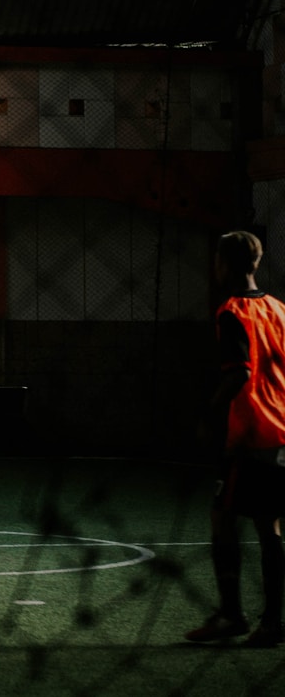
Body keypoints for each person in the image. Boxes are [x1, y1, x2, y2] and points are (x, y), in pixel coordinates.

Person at [185, 230, 285, 648]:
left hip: (249, 435)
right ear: (257, 263)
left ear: (223, 263)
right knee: (271, 527)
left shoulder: (231, 312)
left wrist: (210, 415)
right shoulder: (280, 309)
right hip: (281, 430)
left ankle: (233, 615)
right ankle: (271, 622)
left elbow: (240, 371)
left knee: (222, 519)